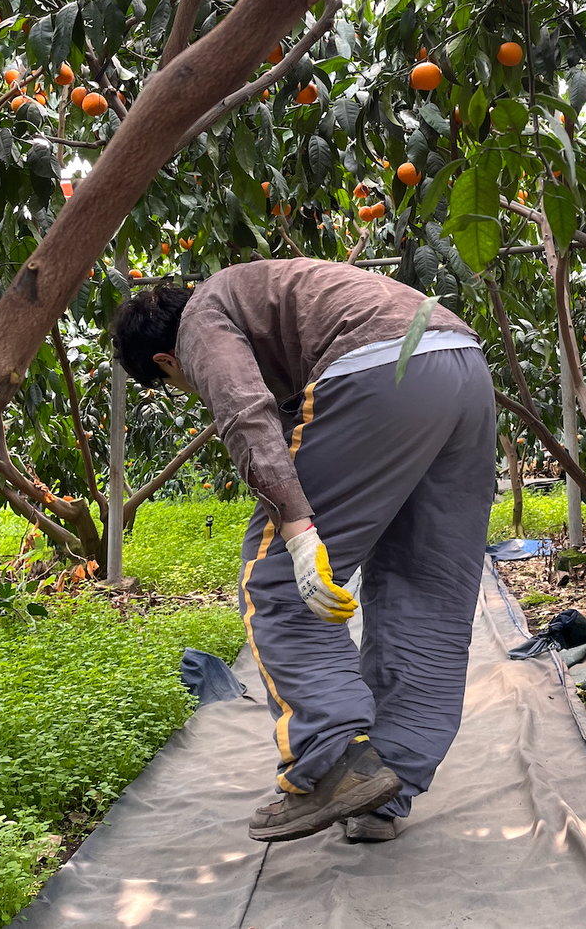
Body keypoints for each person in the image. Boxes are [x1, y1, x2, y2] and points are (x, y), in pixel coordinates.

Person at [110, 257, 495, 844]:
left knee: (276, 581)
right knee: (429, 586)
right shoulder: (261, 298)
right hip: (463, 366)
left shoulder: (201, 317)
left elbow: (244, 411)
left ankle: (333, 759)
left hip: (380, 368)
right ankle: (384, 791)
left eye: (176, 383)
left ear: (167, 361)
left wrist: (297, 529)